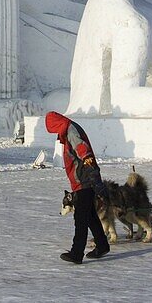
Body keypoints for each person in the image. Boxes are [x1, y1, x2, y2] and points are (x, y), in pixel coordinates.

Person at [45, 111, 109, 265]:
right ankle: (102, 245)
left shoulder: (71, 131)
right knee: (91, 216)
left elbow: (82, 149)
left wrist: (89, 166)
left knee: (80, 218)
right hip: (82, 179)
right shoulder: (68, 129)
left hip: (84, 180)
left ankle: (76, 253)